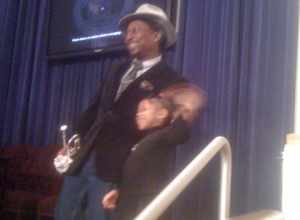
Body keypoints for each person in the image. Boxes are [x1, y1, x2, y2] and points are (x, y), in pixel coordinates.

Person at [54, 3, 187, 220]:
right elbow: (94, 109)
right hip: (83, 158)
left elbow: (180, 132)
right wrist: (71, 145)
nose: (127, 36)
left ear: (156, 35)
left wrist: (167, 117)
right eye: (126, 32)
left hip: (116, 167)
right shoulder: (116, 69)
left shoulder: (171, 80)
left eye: (135, 30)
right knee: (63, 214)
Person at [107, 83, 207, 220]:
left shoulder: (165, 135)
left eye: (144, 110)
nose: (138, 114)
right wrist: (119, 191)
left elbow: (180, 133)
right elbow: (133, 172)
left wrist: (185, 110)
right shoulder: (142, 140)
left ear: (161, 114)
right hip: (128, 203)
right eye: (137, 112)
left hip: (148, 202)